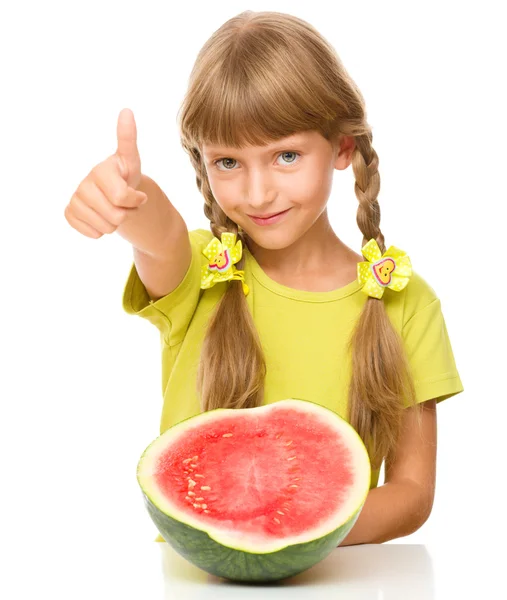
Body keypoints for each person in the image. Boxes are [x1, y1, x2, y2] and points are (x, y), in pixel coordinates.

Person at [64, 10, 464, 546]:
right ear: (201, 163)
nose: (257, 194)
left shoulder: (405, 301)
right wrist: (127, 200)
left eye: (286, 156)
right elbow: (157, 235)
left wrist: (289, 535)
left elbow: (413, 491)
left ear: (343, 148)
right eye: (227, 162)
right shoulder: (204, 271)